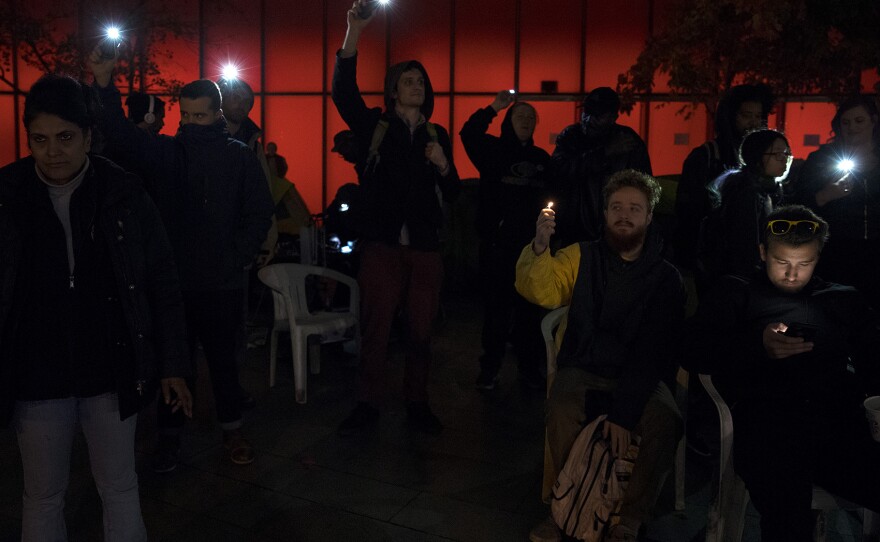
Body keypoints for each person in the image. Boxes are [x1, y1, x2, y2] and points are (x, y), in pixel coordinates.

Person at [0, 73, 193, 541]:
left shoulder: (121, 191)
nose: (52, 151)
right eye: (40, 139)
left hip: (110, 367)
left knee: (120, 488)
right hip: (36, 373)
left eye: (65, 137)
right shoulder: (8, 193)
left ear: (88, 135)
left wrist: (173, 364)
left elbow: (161, 279)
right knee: (43, 496)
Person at [89, 51, 274, 471]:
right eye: (186, 116)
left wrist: (237, 257)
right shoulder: (170, 153)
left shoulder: (237, 156)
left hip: (219, 281)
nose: (191, 124)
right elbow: (119, 134)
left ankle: (228, 429)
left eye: (199, 117)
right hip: (175, 282)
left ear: (216, 114)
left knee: (222, 362)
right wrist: (103, 84)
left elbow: (258, 210)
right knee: (174, 362)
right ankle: (174, 437)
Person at [685, 205, 880, 541]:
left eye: (803, 264)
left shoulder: (841, 299)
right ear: (762, 252)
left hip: (836, 425)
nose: (792, 274)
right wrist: (756, 344)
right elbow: (695, 351)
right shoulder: (737, 291)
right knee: (788, 513)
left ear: (818, 257)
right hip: (766, 425)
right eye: (781, 262)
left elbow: (874, 358)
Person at [518, 170, 685, 542]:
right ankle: (563, 512)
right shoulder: (582, 256)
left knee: (665, 420)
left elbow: (654, 348)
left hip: (639, 373)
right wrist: (541, 247)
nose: (624, 215)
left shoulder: (665, 277)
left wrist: (625, 413)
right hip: (585, 365)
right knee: (562, 407)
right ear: (605, 213)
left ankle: (629, 519)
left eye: (634, 208)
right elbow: (542, 291)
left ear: (649, 216)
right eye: (616, 207)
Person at [332, 0, 461, 435]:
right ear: (393, 89)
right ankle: (368, 403)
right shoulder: (377, 126)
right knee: (377, 328)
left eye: (421, 81)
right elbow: (343, 94)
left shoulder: (435, 133)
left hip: (424, 247)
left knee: (422, 331)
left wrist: (443, 163)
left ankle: (417, 402)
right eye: (408, 81)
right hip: (383, 244)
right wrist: (354, 33)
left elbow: (456, 190)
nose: (416, 86)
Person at [459, 90, 551, 391]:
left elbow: (556, 197)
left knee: (530, 313)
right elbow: (468, 132)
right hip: (499, 248)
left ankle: (529, 370)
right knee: (497, 311)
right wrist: (495, 107)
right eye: (519, 115)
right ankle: (490, 369)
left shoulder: (541, 160)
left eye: (530, 117)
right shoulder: (492, 151)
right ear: (508, 121)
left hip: (533, 250)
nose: (525, 121)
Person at [674, 84, 774, 272]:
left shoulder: (765, 159)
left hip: (754, 261)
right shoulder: (707, 156)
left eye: (758, 117)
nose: (753, 123)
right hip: (715, 261)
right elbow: (688, 212)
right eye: (746, 115)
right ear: (730, 116)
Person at [796, 95, 880, 310]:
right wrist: (825, 195)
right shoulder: (822, 159)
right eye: (846, 122)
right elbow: (798, 204)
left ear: (873, 120)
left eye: (859, 121)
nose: (852, 127)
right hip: (837, 253)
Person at [550, 87, 652, 246]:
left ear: (613, 117)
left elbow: (644, 186)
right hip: (573, 230)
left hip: (613, 230)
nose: (589, 119)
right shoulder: (572, 136)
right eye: (587, 112)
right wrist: (604, 153)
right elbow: (558, 170)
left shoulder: (628, 141)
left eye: (598, 115)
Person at [699, 128, 791, 283]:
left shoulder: (767, 190)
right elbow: (744, 248)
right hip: (739, 281)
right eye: (777, 154)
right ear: (757, 156)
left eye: (787, 153)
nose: (784, 159)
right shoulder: (746, 193)